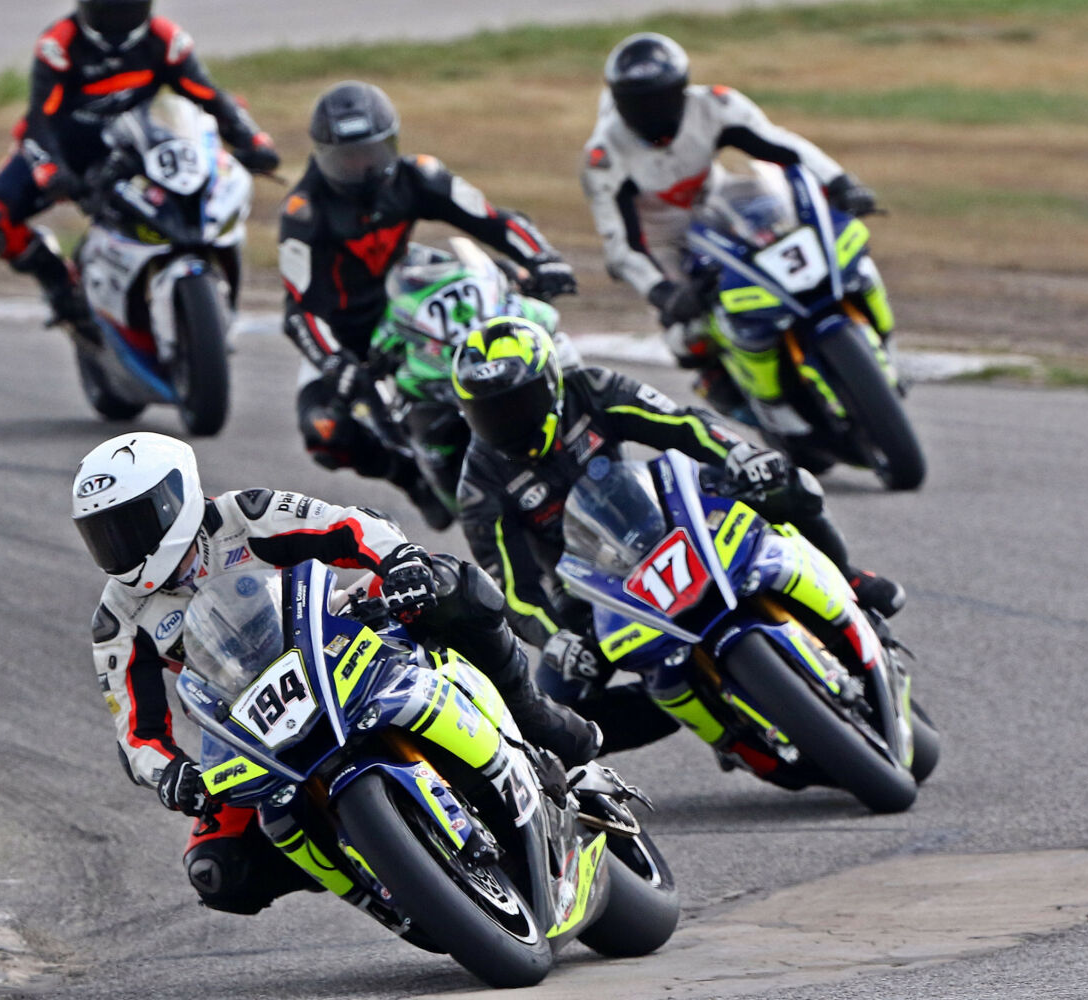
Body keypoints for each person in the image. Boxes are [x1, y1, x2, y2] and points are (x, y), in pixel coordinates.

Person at [71, 431, 597, 916]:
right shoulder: (118, 619)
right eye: (102, 535)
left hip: (335, 633)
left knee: (452, 585)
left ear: (175, 499)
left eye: (129, 525)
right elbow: (135, 732)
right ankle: (379, 866)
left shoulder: (243, 516)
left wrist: (400, 560)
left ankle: (532, 718)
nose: (118, 548)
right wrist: (169, 773)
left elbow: (344, 525)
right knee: (217, 871)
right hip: (245, 722)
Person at [449, 316, 904, 763]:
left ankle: (846, 580)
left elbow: (683, 423)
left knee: (789, 485)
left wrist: (739, 454)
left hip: (665, 517)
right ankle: (708, 712)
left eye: (517, 403)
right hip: (588, 587)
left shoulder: (591, 389)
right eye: (488, 412)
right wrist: (554, 640)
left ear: (551, 385)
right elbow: (512, 588)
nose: (506, 422)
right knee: (544, 719)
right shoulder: (480, 482)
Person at [281, 81, 578, 529]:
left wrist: (543, 257)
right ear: (322, 157)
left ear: (393, 142)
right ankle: (414, 480)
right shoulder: (304, 211)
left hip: (411, 306)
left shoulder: (418, 174)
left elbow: (493, 219)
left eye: (373, 153)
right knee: (324, 433)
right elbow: (298, 310)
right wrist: (334, 362)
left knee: (506, 326)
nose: (364, 169)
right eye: (348, 160)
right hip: (343, 336)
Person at [580, 32, 893, 434]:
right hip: (662, 239)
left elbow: (782, 145)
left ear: (681, 89)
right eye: (638, 102)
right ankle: (747, 399)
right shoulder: (602, 156)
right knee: (684, 337)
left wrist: (839, 181)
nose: (652, 112)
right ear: (619, 102)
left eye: (660, 98)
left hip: (719, 200)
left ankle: (866, 333)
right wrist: (663, 291)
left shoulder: (715, 104)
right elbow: (620, 245)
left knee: (802, 242)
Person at [0, 0, 280, 328]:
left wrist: (253, 140)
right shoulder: (58, 45)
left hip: (137, 147)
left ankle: (197, 281)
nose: (116, 10)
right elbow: (39, 122)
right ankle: (61, 286)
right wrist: (50, 171)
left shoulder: (166, 38)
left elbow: (208, 94)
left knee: (194, 195)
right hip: (67, 153)